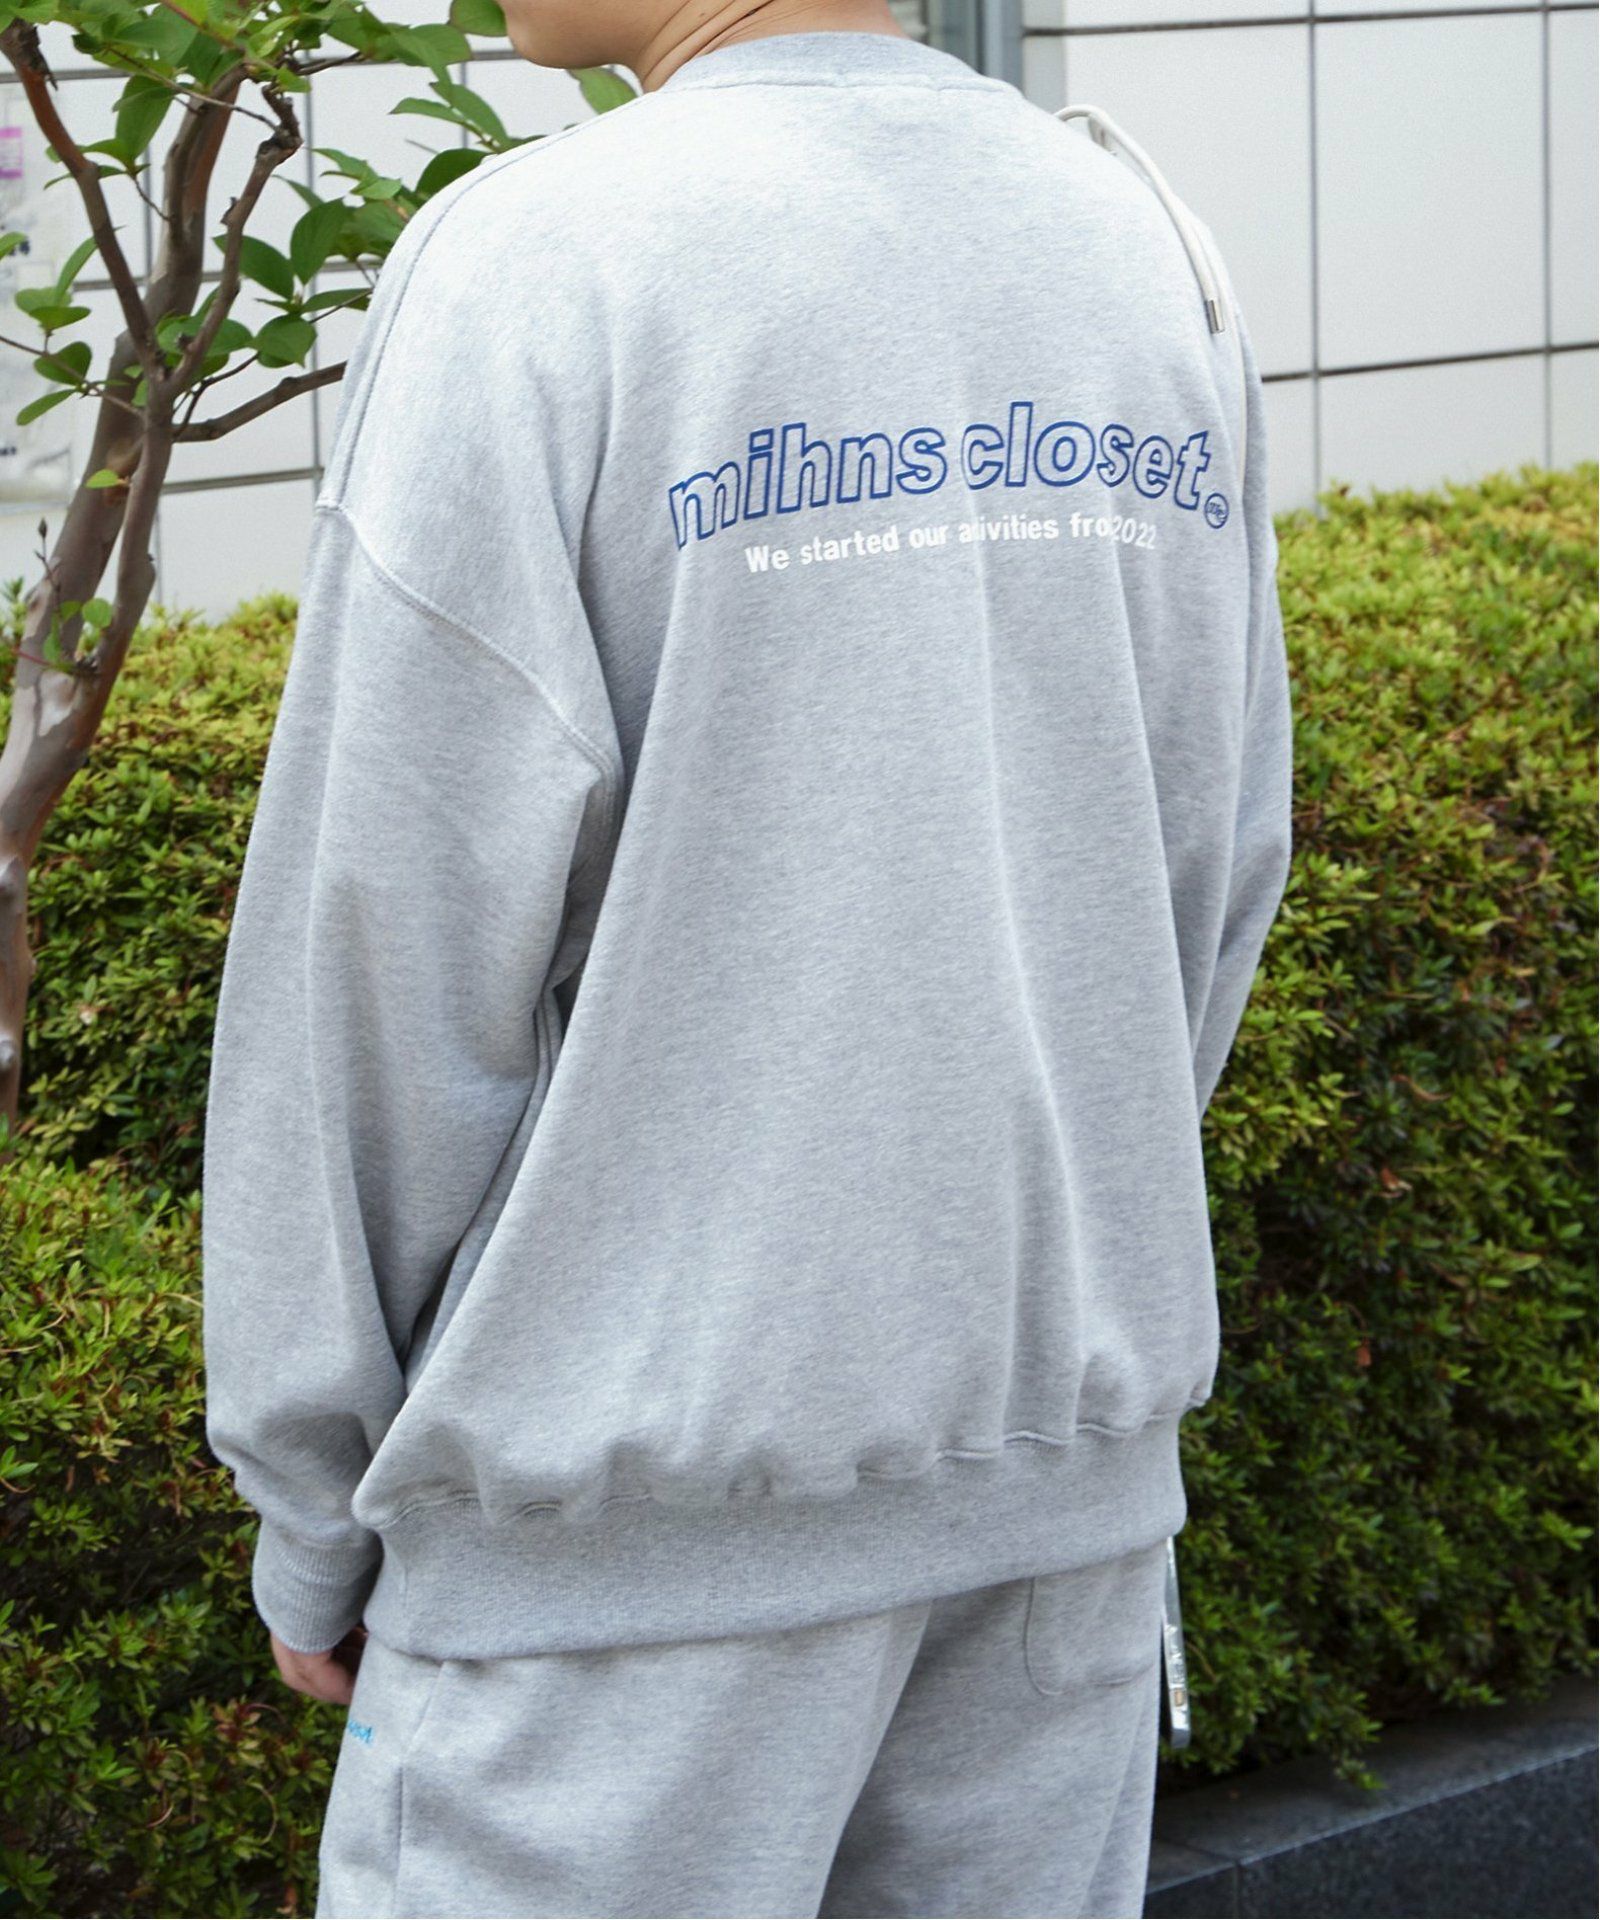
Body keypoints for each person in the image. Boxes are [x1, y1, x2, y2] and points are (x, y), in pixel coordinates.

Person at [201, 1, 1294, 1913]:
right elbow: (1208, 873)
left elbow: (381, 959)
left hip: (615, 1593)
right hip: (1060, 1531)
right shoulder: (1143, 246)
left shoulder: (544, 257)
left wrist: (312, 1502)